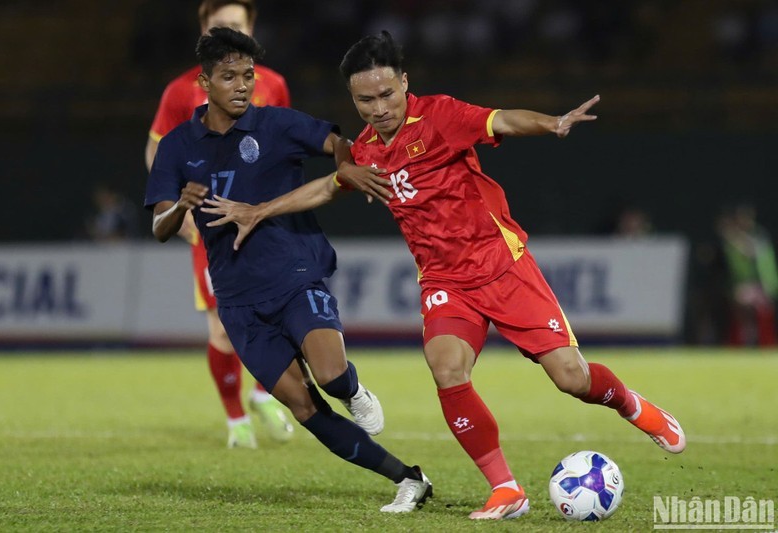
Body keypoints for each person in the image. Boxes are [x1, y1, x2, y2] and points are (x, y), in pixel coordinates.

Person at [208, 31, 687, 521]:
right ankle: (506, 489)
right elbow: (328, 188)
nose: (378, 108)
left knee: (571, 378)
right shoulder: (368, 152)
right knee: (446, 368)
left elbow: (501, 119)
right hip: (443, 282)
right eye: (365, 99)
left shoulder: (439, 116)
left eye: (387, 94)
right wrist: (260, 210)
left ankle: (635, 408)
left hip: (501, 265)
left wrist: (552, 122)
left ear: (405, 84)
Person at [145, 27, 433, 513]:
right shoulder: (178, 146)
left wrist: (350, 168)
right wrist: (181, 209)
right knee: (303, 407)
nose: (242, 85)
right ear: (204, 81)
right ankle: (408, 479)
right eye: (229, 76)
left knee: (331, 374)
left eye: (248, 76)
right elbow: (158, 225)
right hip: (236, 300)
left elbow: (337, 142)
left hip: (294, 274)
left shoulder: (276, 125)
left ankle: (354, 389)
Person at [145, 0, 293, 449]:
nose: (227, 31)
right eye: (219, 25)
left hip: (264, 220)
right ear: (204, 30)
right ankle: (236, 421)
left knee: (286, 310)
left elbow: (284, 143)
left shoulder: (274, 86)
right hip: (211, 224)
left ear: (251, 29)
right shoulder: (179, 92)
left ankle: (263, 392)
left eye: (236, 24)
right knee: (223, 327)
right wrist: (175, 206)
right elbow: (157, 152)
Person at [718, 203, 778, 346]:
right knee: (742, 306)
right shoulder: (731, 240)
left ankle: (765, 341)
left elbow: (750, 252)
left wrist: (732, 236)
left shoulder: (758, 236)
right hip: (745, 285)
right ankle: (746, 340)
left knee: (764, 311)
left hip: (765, 284)